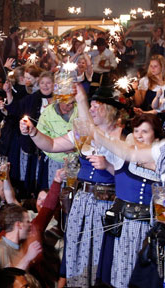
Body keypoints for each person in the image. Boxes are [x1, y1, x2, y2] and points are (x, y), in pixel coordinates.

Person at [20, 84, 122, 286]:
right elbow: (52, 145)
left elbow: (130, 179)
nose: (91, 110)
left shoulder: (124, 136)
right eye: (90, 105)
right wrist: (33, 132)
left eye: (96, 106)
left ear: (109, 109)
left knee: (100, 256)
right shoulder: (83, 132)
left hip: (106, 206)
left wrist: (109, 166)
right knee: (77, 252)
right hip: (81, 202)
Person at [96, 114, 163, 287]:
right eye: (136, 131)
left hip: (150, 229)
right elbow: (102, 140)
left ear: (156, 136)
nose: (139, 135)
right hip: (124, 226)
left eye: (145, 131)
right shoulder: (124, 156)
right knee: (120, 273)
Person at [0, 204, 42, 270]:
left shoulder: (21, 247)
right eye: (27, 222)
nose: (30, 225)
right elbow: (9, 277)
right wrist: (28, 257)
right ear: (19, 225)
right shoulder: (1, 249)